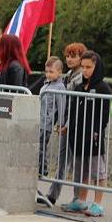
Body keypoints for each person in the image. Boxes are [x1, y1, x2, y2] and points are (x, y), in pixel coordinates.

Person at [62, 50, 112, 217]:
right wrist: (68, 126)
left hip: (94, 137)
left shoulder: (103, 88)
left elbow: (104, 115)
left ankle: (98, 204)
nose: (85, 70)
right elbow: (73, 110)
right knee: (81, 170)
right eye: (83, 67)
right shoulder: (78, 86)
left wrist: (97, 131)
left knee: (98, 170)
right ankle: (81, 201)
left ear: (96, 67)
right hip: (78, 136)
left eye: (88, 67)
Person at [46, 42, 87, 205]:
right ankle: (53, 194)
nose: (70, 59)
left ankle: (77, 198)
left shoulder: (80, 77)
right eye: (68, 56)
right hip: (66, 121)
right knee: (62, 160)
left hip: (74, 123)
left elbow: (75, 103)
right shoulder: (69, 74)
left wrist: (67, 123)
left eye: (74, 56)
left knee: (76, 162)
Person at [38, 56, 67, 181]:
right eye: (46, 71)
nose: (48, 74)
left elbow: (61, 107)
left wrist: (60, 123)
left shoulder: (60, 88)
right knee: (39, 145)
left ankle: (42, 169)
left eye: (51, 72)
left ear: (59, 72)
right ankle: (40, 168)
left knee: (41, 145)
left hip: (47, 122)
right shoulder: (46, 84)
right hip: (39, 120)